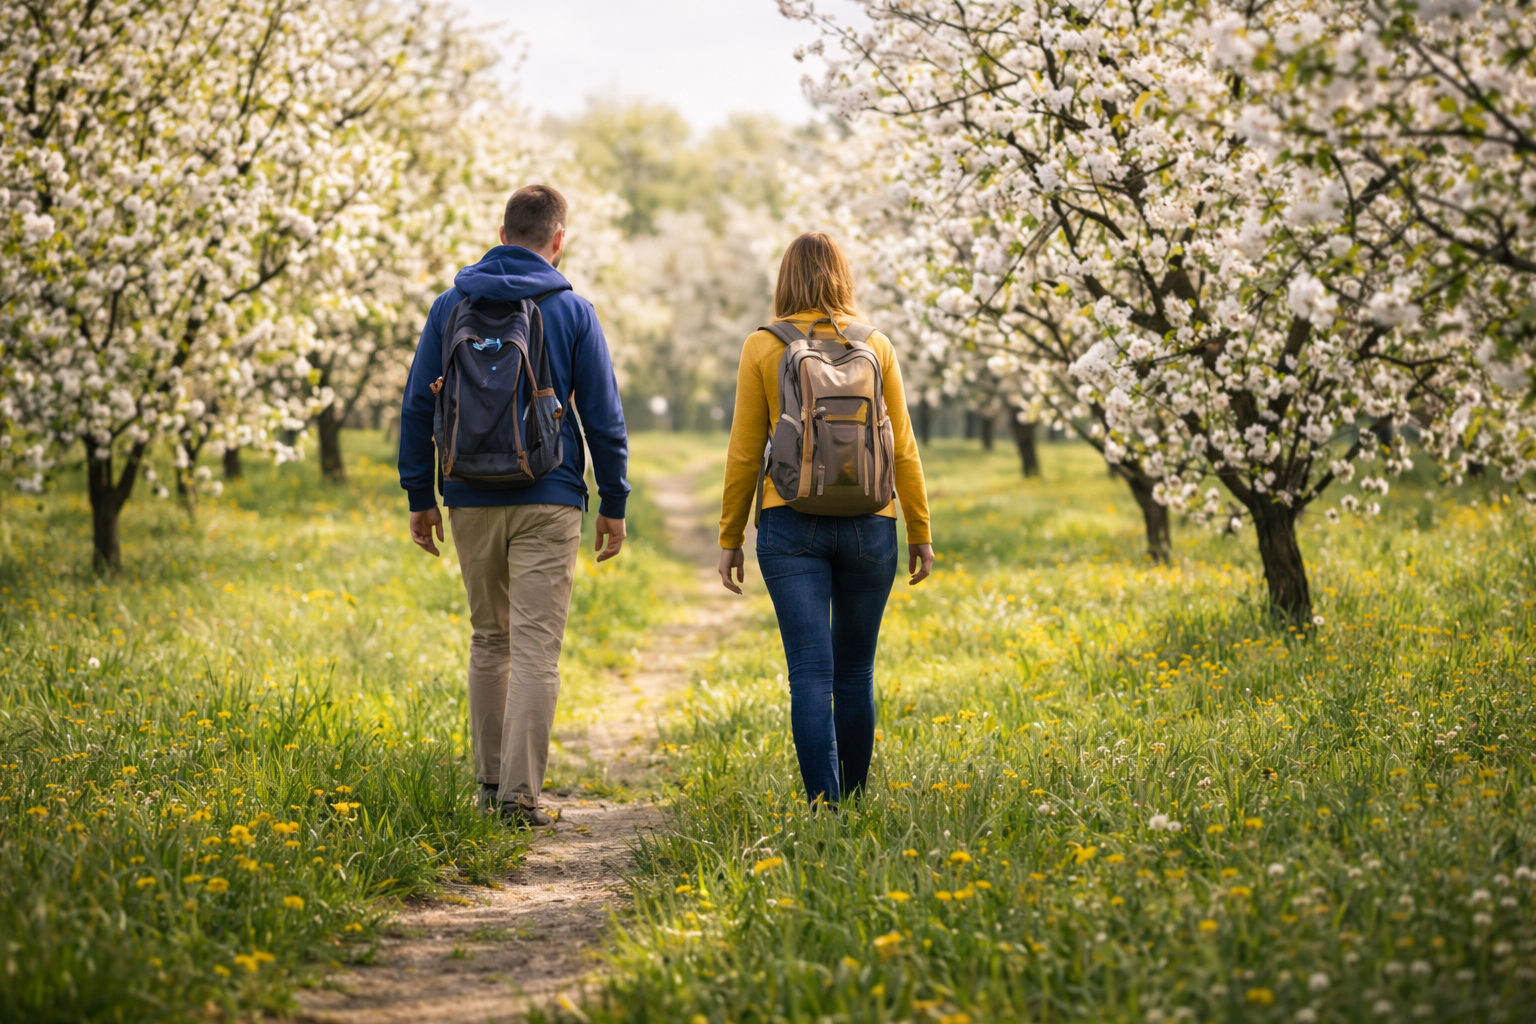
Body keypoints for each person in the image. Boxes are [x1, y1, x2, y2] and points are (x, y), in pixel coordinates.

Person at [399, 184, 629, 828]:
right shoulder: (573, 310)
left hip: (466, 493)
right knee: (534, 647)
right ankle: (519, 799)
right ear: (559, 240)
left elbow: (419, 405)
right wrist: (613, 500)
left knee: (488, 638)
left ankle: (487, 786)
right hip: (549, 497)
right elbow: (604, 418)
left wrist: (421, 496)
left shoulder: (452, 304)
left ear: (502, 235)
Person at [717, 232, 934, 808]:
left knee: (810, 674)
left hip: (789, 522)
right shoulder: (876, 344)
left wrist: (730, 536)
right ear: (843, 275)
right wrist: (919, 529)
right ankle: (857, 806)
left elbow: (744, 450)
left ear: (785, 278)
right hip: (872, 521)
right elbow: (904, 447)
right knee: (855, 672)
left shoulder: (763, 346)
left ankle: (825, 810)